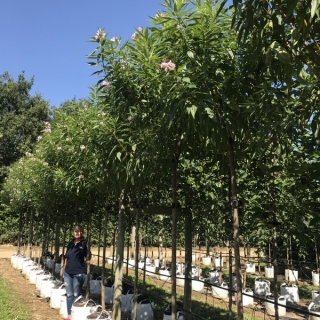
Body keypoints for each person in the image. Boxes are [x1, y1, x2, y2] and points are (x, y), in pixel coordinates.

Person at [63, 224, 88, 320]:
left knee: (76, 295)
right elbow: (66, 258)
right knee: (69, 295)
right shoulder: (70, 243)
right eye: (75, 231)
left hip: (79, 273)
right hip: (68, 273)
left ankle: (76, 315)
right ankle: (69, 316)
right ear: (73, 233)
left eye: (79, 231)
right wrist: (64, 270)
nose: (77, 233)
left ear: (81, 233)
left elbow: (87, 256)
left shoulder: (84, 243)